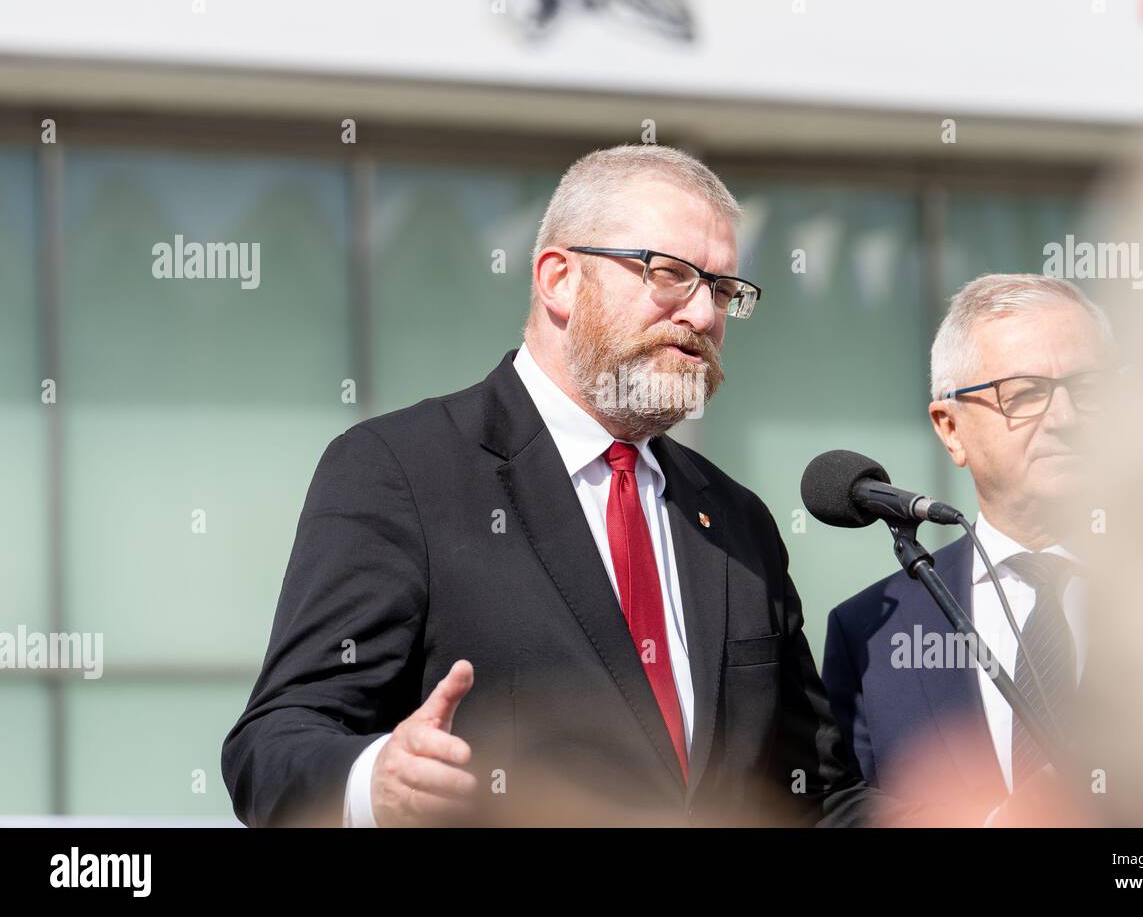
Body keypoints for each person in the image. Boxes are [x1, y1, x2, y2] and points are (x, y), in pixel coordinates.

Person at [222, 143, 882, 827]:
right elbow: (271, 748)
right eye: (672, 275)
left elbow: (817, 791)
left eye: (721, 290)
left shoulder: (738, 521)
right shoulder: (399, 471)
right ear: (559, 279)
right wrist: (375, 780)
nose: (705, 315)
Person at [822, 273, 1115, 821]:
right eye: (1024, 394)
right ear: (950, 428)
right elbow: (839, 806)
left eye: (1090, 390)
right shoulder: (871, 631)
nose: (1066, 419)